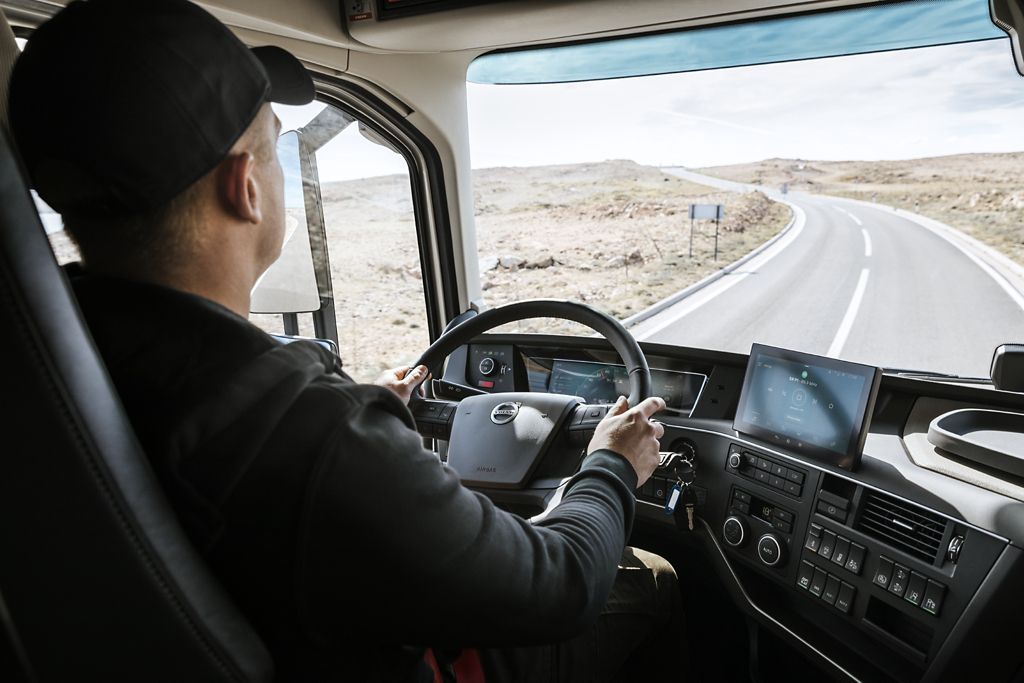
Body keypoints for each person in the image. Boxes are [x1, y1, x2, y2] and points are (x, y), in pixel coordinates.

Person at [8, 1, 684, 680]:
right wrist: (611, 464)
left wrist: (358, 410)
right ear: (245, 189)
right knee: (651, 577)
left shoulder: (57, 365)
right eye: (275, 149)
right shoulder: (317, 439)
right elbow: (560, 584)